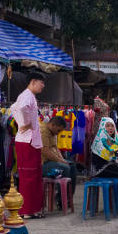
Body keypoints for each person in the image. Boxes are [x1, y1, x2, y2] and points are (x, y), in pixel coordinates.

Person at [11, 71, 45, 219]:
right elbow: (21, 108)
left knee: (33, 175)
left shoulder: (28, 95)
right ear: (33, 81)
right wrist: (25, 123)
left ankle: (33, 208)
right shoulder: (27, 95)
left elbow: (13, 107)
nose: (43, 86)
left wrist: (22, 122)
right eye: (41, 82)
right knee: (29, 176)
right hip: (27, 141)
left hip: (29, 140)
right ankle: (27, 210)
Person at [91, 117, 118, 198]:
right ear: (102, 127)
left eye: (112, 126)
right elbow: (111, 149)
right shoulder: (101, 139)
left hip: (108, 166)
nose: (110, 128)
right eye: (107, 126)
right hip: (99, 169)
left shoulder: (111, 139)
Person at [40, 116, 77, 195]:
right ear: (53, 125)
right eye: (58, 130)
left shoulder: (52, 132)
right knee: (65, 168)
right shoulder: (44, 132)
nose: (58, 133)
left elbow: (56, 149)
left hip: (52, 161)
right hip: (43, 164)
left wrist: (62, 160)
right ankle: (60, 200)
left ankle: (68, 197)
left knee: (72, 166)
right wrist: (61, 161)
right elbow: (45, 151)